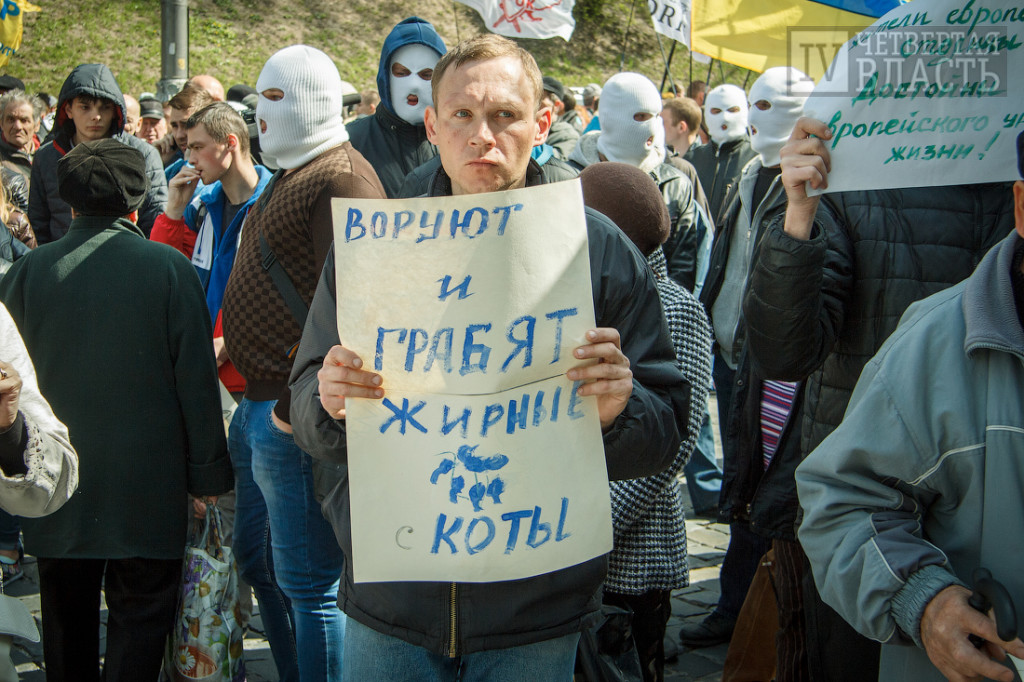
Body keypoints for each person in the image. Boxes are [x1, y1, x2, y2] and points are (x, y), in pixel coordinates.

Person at [289, 33, 688, 682]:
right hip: (393, 596)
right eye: (462, 115)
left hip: (534, 611)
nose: (482, 136)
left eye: (505, 114)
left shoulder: (596, 251)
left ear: (542, 122)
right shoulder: (375, 248)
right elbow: (308, 402)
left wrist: (621, 409)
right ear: (432, 125)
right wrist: (328, 401)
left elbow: (666, 429)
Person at [740, 113, 1015, 679]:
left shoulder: (1009, 169)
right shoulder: (852, 172)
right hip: (866, 499)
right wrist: (798, 216)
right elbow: (782, 352)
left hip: (992, 497)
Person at [0, 137, 232, 682]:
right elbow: (197, 384)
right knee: (142, 618)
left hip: (58, 484)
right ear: (137, 200)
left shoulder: (29, 272)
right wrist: (207, 478)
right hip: (148, 487)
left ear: (68, 198)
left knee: (65, 621)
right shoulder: (168, 269)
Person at [220, 44, 386, 682]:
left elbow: (358, 311)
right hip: (261, 404)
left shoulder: (341, 179)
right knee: (266, 566)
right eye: (260, 98)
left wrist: (296, 407)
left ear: (314, 101)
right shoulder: (298, 169)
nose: (263, 114)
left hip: (293, 416)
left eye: (278, 97)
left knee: (310, 584)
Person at [685, 67, 816, 662]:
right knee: (742, 480)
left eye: (769, 105)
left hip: (775, 358)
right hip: (733, 349)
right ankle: (735, 608)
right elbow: (728, 256)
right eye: (752, 104)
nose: (754, 118)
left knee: (764, 485)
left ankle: (753, 614)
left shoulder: (811, 182)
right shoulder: (750, 173)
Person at [579, 161, 712, 682]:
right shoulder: (579, 292)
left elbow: (672, 443)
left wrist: (585, 526)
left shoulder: (675, 307)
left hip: (630, 556)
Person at [150, 101, 273, 398]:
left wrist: (232, 341)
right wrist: (174, 211)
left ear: (230, 143)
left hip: (253, 377)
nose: (190, 159)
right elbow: (162, 275)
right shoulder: (201, 207)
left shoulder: (275, 204)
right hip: (202, 368)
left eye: (197, 147)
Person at [567, 72, 703, 294]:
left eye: (656, 116)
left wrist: (659, 308)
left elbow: (683, 267)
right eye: (640, 116)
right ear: (612, 118)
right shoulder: (571, 178)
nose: (651, 127)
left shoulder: (675, 183)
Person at [28, 63, 167, 243]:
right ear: (68, 109)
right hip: (61, 257)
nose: (96, 116)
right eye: (85, 107)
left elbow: (156, 217)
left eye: (104, 107)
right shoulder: (46, 157)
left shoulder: (143, 154)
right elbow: (38, 223)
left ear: (116, 111)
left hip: (128, 255)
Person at [347, 16, 446, 197]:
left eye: (426, 74)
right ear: (385, 77)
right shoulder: (351, 141)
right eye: (402, 72)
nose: (413, 85)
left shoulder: (456, 139)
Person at [684, 83, 756, 226]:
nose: (725, 118)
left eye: (733, 110)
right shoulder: (692, 159)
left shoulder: (756, 160)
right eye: (716, 111)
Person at [162, 82, 216, 181]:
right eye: (174, 126)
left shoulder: (219, 165)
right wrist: (157, 162)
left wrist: (189, 165)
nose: (179, 135)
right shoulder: (172, 162)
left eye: (186, 125)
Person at [0, 90, 38, 185]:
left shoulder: (50, 154)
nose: (17, 127)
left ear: (36, 125)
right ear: (1, 124)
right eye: (11, 120)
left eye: (24, 120)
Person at [541, 75, 580, 160]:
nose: (534, 106)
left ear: (556, 105)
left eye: (540, 102)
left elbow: (555, 162)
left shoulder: (567, 135)